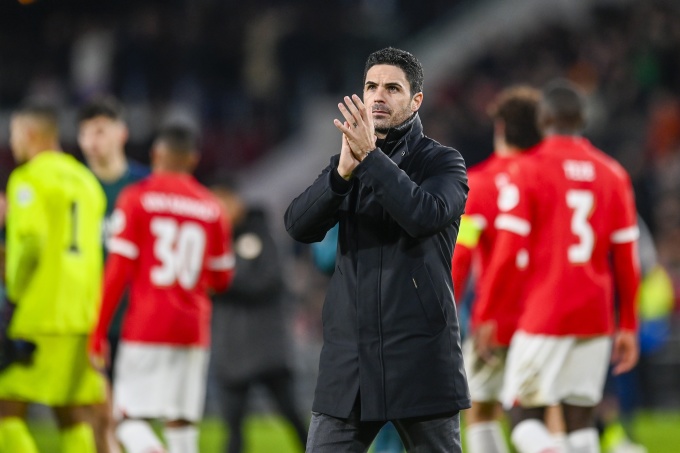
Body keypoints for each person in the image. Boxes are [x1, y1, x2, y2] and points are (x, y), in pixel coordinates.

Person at [284, 47, 470, 452]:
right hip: (349, 356)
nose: (378, 96)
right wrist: (339, 176)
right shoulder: (346, 163)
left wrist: (369, 158)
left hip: (419, 353)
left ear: (416, 100)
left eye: (392, 88)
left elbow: (423, 214)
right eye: (371, 87)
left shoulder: (443, 162)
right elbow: (297, 226)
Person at [486, 80, 641, 453]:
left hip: (545, 311)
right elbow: (626, 260)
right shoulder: (613, 174)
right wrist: (629, 325)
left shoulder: (528, 169)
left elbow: (507, 253)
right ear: (583, 119)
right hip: (595, 315)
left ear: (543, 120)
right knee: (580, 419)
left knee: (520, 412)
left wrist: (489, 311)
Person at [89, 124, 235, 453]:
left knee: (128, 420)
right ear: (193, 159)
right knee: (182, 422)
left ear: (156, 155)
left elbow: (117, 272)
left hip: (147, 325)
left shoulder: (137, 198)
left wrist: (97, 331)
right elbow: (222, 279)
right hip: (192, 329)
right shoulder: (212, 208)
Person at [0, 102, 107, 452]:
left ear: (30, 134)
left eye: (14, 133)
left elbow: (30, 241)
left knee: (5, 410)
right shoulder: (88, 182)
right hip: (82, 313)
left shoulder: (28, 178)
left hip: (41, 310)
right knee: (72, 411)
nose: (11, 141)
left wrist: (13, 289)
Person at [451, 85, 543, 453]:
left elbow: (462, 254)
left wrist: (449, 306)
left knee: (481, 410)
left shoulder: (480, 183)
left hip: (496, 317)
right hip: (547, 316)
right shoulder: (551, 178)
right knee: (541, 412)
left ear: (500, 127)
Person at [207, 176, 308, 453]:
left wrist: (223, 281)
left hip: (267, 345)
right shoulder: (212, 238)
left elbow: (270, 279)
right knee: (233, 429)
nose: (217, 209)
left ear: (235, 200)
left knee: (291, 415)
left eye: (221, 201)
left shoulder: (262, 231)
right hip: (232, 347)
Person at [78, 95, 150, 453]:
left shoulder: (143, 185)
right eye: (86, 133)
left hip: (135, 313)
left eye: (101, 131)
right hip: (88, 309)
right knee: (98, 410)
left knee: (131, 411)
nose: (93, 141)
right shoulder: (73, 185)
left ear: (121, 133)